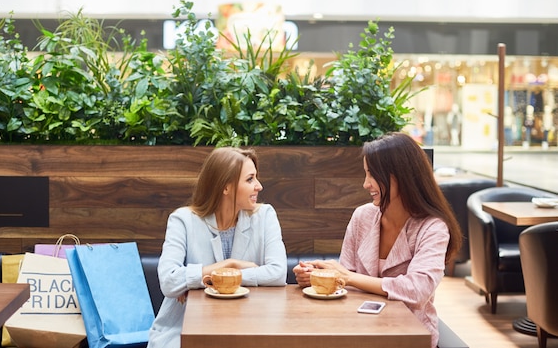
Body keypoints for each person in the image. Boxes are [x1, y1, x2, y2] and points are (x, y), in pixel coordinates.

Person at [293, 132, 462, 348]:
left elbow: (418, 290)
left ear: (401, 176)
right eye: (366, 174)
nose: (365, 184)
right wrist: (316, 278)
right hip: (359, 328)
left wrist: (347, 277)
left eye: (372, 175)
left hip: (409, 336)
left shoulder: (432, 227)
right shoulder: (362, 216)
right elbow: (343, 280)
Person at [147, 147, 287, 348]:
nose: (259, 186)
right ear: (226, 187)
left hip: (248, 327)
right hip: (183, 330)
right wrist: (230, 264)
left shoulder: (265, 216)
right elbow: (169, 281)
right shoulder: (183, 220)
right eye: (250, 179)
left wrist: (206, 279)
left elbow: (278, 273)